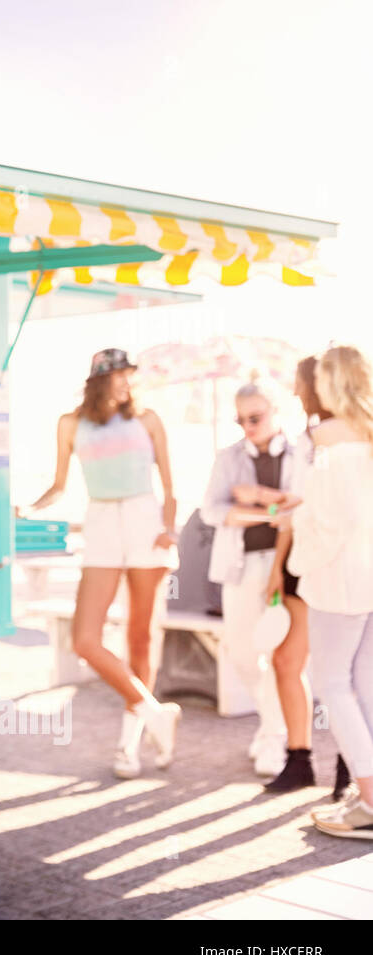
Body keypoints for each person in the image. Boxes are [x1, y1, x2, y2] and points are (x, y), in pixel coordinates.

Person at [22, 348, 181, 779]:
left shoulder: (148, 419)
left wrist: (169, 529)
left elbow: (170, 487)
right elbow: (59, 485)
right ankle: (156, 713)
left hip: (145, 521)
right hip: (101, 522)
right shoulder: (70, 423)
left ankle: (129, 746)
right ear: (99, 380)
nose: (126, 382)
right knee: (85, 640)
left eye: (129, 375)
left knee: (140, 638)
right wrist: (28, 509)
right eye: (118, 375)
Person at [279, 344, 373, 839]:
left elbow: (332, 524)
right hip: (367, 576)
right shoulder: (367, 436)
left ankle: (371, 800)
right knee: (365, 683)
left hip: (340, 581)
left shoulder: (330, 444)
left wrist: (297, 557)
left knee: (332, 683)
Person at [200, 381, 297, 781]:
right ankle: (272, 722)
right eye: (240, 419)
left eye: (255, 417)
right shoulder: (228, 457)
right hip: (239, 566)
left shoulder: (302, 453)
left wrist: (255, 495)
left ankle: (275, 735)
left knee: (281, 655)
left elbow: (304, 506)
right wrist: (270, 510)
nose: (247, 427)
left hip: (288, 568)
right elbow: (211, 510)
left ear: (276, 410)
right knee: (240, 652)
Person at [261, 356, 346, 794]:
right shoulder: (304, 440)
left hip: (339, 564)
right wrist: (277, 568)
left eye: (300, 383)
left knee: (341, 671)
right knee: (287, 661)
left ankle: (352, 769)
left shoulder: (352, 439)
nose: (295, 392)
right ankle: (300, 760)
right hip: (301, 562)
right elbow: (293, 507)